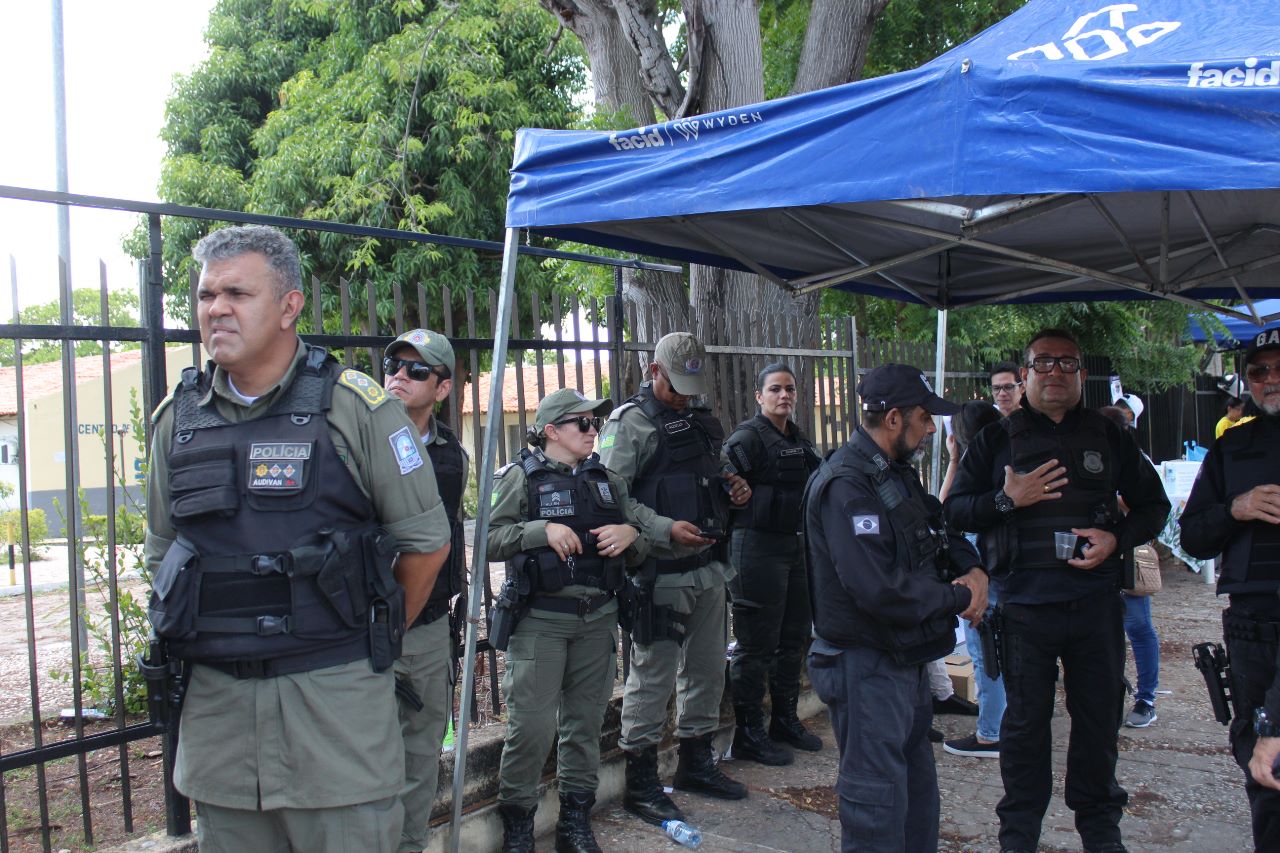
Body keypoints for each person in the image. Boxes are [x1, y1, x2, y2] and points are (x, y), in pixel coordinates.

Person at [143, 225, 452, 852]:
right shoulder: (178, 421)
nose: (216, 309)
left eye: (237, 292)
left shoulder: (353, 409)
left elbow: (426, 544)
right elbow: (163, 554)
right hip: (221, 736)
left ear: (290, 306)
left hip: (334, 726)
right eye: (205, 296)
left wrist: (378, 635)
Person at [944, 329, 1170, 853]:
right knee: (1024, 731)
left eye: (1066, 363)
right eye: (1042, 363)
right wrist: (1006, 500)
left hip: (1094, 608)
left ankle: (1101, 834)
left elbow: (1155, 506)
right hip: (1023, 608)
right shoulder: (997, 439)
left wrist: (1117, 538)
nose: (1054, 372)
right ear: (1024, 376)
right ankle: (1019, 837)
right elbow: (952, 513)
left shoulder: (1109, 435)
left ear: (1081, 376)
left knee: (1097, 722)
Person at [805, 364, 987, 852]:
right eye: (925, 418)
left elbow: (936, 525)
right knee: (875, 809)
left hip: (903, 663)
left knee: (916, 803)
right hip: (866, 667)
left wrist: (972, 568)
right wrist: (961, 596)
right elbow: (879, 589)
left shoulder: (893, 473)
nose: (931, 429)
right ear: (893, 419)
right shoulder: (847, 485)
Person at [488, 387, 660, 853]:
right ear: (551, 431)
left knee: (584, 728)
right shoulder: (520, 478)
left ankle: (575, 825)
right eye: (583, 423)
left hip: (597, 619)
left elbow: (641, 542)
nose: (592, 431)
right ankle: (519, 828)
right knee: (531, 729)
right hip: (542, 622)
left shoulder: (608, 481)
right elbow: (488, 538)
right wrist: (539, 530)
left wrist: (631, 534)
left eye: (595, 424)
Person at [598, 331, 753, 826]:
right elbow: (610, 495)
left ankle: (695, 763)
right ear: (653, 372)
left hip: (708, 568)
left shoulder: (701, 422)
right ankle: (641, 785)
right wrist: (664, 527)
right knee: (653, 679)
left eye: (690, 386)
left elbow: (718, 470)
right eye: (674, 386)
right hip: (659, 572)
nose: (683, 395)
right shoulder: (630, 424)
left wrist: (736, 485)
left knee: (707, 670)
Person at [1180, 324, 1280, 851]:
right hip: (1250, 630)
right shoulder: (1232, 447)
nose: (1270, 380)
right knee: (1261, 768)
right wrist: (1235, 510)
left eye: (1279, 368)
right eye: (1259, 371)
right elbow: (1192, 535)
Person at [382, 329, 467, 853]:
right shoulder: (354, 439)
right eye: (394, 365)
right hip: (367, 625)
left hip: (429, 624)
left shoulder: (448, 453)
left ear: (442, 388)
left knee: (420, 755)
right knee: (362, 758)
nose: (399, 376)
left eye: (417, 371)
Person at [724, 363, 822, 766]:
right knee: (756, 644)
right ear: (759, 396)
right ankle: (749, 732)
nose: (784, 396)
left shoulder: (798, 439)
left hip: (795, 546)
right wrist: (735, 487)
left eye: (790, 390)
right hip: (756, 547)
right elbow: (723, 479)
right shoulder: (747, 438)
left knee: (794, 638)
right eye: (776, 389)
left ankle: (785, 719)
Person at [940, 400, 1005, 759]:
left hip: (984, 565)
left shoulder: (976, 468)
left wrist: (954, 460)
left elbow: (946, 509)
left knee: (985, 652)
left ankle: (991, 733)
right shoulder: (1007, 461)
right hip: (1006, 566)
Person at [1097, 405, 1162, 730]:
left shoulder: (1137, 462)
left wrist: (1120, 502)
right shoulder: (1087, 459)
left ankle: (1146, 698)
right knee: (1099, 631)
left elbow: (1154, 512)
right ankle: (1113, 690)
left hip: (1130, 555)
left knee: (1138, 626)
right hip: (1095, 560)